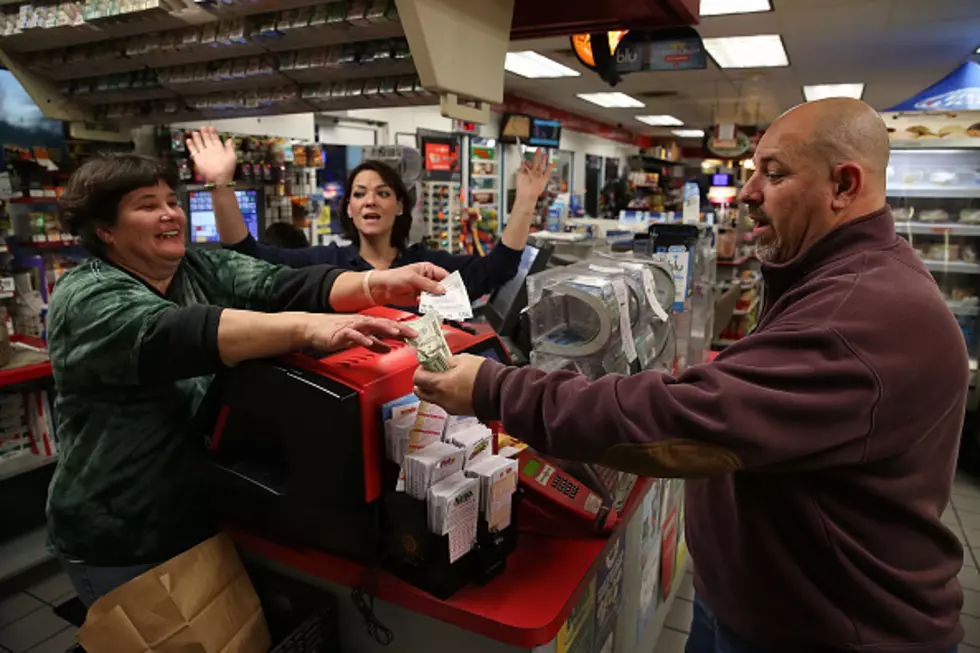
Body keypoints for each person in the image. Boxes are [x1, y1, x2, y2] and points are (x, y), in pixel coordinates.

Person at [413, 98, 968, 653]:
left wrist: (495, 388)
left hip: (823, 633)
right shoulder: (839, 277)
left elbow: (682, 427)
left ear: (844, 185)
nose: (747, 193)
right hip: (761, 608)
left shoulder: (861, 314)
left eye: (773, 175)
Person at [47, 129, 448, 606]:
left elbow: (284, 284)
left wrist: (380, 284)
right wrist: (309, 329)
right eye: (146, 204)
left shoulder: (197, 267)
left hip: (195, 512)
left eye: (171, 201)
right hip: (120, 529)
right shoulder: (87, 296)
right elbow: (182, 333)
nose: (169, 213)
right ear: (104, 229)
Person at [212, 126, 553, 299]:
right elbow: (248, 257)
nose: (370, 201)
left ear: (400, 205)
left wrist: (525, 201)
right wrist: (220, 186)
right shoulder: (324, 262)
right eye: (359, 194)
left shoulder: (428, 268)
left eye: (383, 193)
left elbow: (500, 267)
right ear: (349, 208)